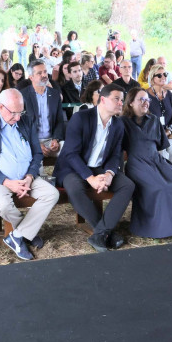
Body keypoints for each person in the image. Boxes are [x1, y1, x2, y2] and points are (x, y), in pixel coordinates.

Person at [0, 89, 59, 260]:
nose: (18, 117)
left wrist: (30, 176)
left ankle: (17, 236)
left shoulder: (26, 121)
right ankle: (27, 232)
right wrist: (7, 182)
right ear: (1, 107)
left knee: (51, 194)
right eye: (13, 113)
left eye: (21, 112)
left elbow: (37, 154)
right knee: (3, 205)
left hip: (26, 176)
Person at [54, 82, 134, 252]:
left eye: (122, 99)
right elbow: (71, 154)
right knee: (75, 189)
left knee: (128, 185)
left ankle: (100, 233)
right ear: (103, 100)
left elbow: (115, 155)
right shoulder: (81, 118)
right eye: (117, 99)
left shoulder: (118, 124)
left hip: (100, 167)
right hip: (73, 167)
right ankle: (108, 233)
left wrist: (110, 174)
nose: (121, 103)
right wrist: (90, 179)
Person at [121, 87, 172, 237]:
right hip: (137, 164)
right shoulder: (122, 122)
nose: (146, 102)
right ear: (131, 103)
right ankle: (160, 228)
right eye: (141, 99)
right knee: (161, 187)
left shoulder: (153, 119)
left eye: (147, 99)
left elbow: (161, 145)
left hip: (157, 160)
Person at [21, 60, 64, 158]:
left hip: (51, 140)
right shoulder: (23, 95)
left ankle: (61, 173)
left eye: (45, 71)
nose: (44, 75)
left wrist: (56, 139)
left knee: (67, 149)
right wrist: (35, 144)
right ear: (31, 77)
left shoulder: (55, 94)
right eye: (39, 73)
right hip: (31, 141)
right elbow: (21, 125)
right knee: (34, 162)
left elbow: (59, 120)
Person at [145, 64, 172, 170]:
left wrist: (168, 131)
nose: (163, 77)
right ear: (152, 78)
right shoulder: (145, 95)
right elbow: (142, 119)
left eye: (165, 74)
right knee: (162, 153)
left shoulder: (169, 95)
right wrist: (159, 134)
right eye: (159, 75)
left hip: (167, 134)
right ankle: (163, 179)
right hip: (151, 136)